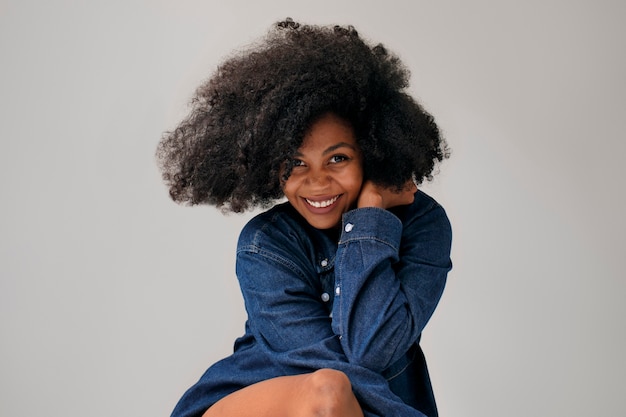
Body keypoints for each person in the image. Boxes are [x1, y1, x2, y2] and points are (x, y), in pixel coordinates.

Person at [157, 18, 452, 417]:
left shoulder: (423, 224)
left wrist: (368, 217)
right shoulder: (266, 244)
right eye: (295, 163)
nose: (316, 182)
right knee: (329, 388)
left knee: (336, 392)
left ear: (374, 150)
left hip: (358, 408)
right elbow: (336, 369)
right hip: (256, 398)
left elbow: (373, 346)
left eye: (338, 158)